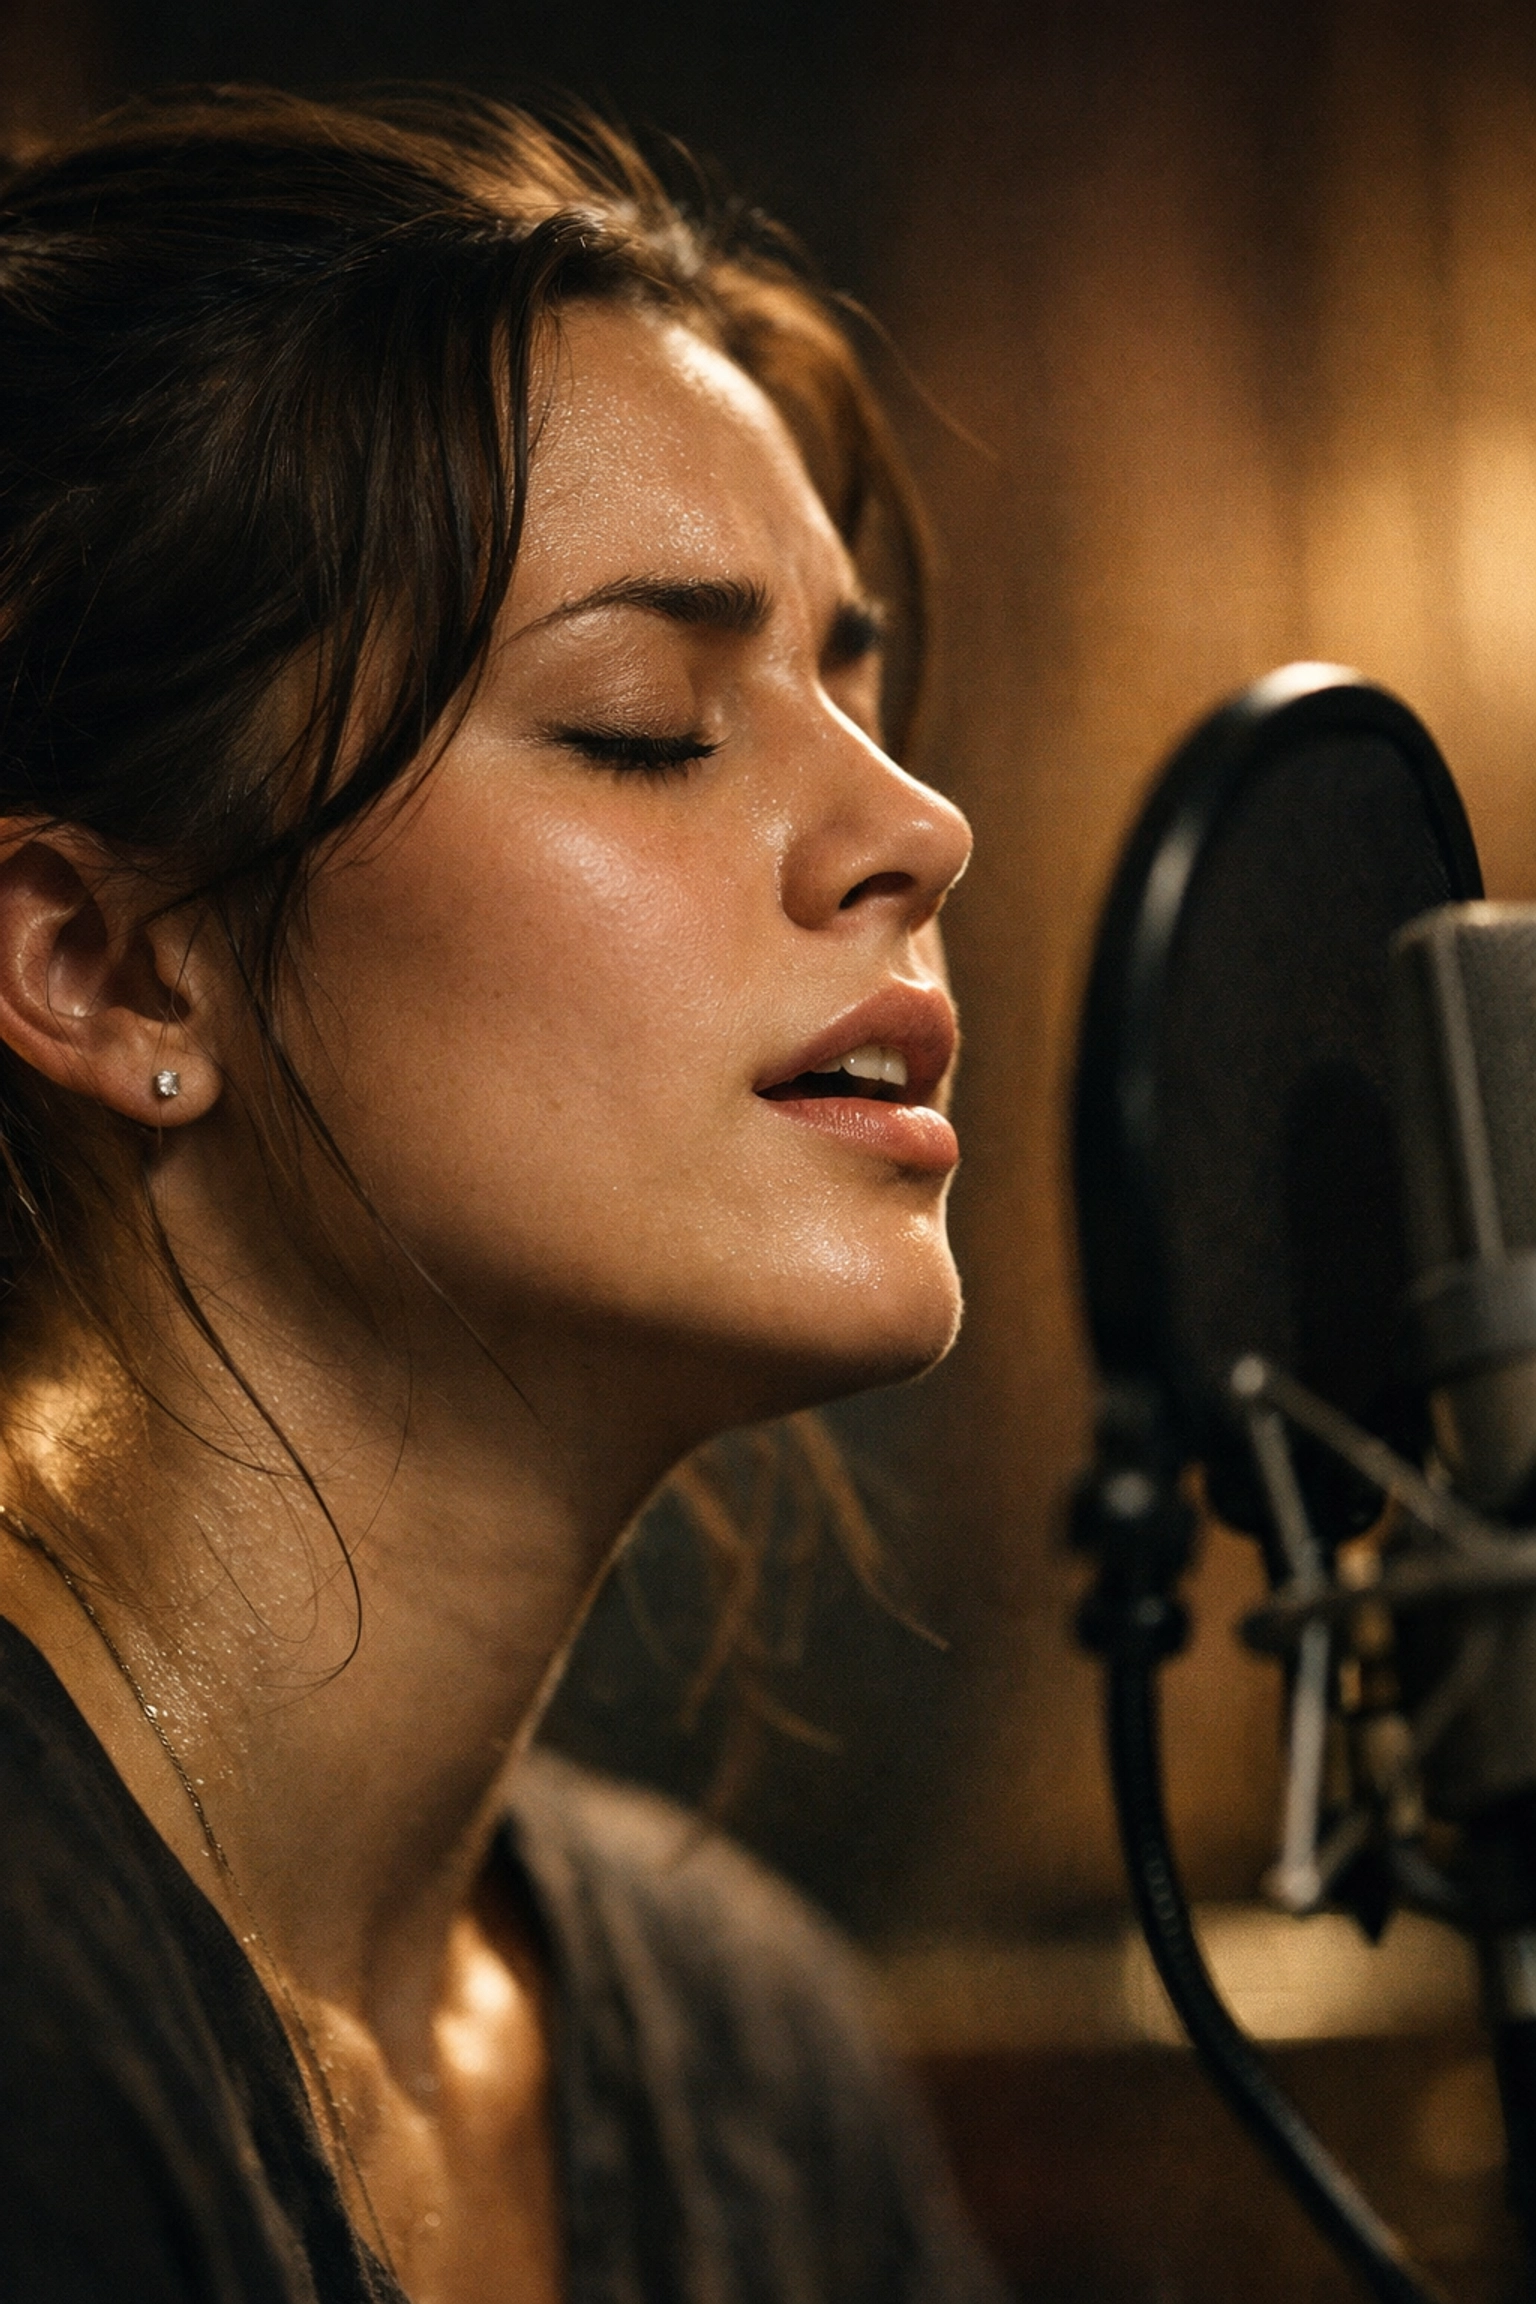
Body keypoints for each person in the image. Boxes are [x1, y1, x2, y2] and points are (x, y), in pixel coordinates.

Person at [0, 84, 999, 2304]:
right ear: (108, 957)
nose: (920, 826)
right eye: (651, 721)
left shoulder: (757, 2054)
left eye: (856, 688)